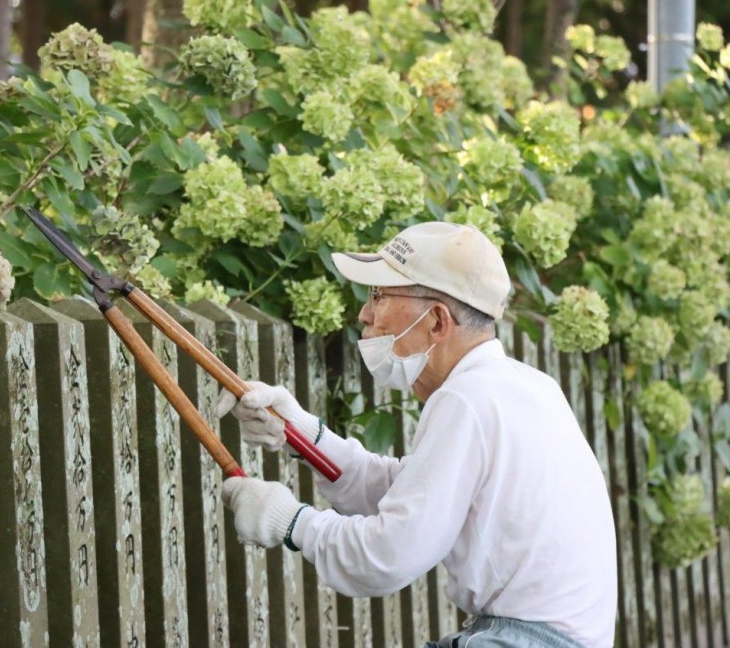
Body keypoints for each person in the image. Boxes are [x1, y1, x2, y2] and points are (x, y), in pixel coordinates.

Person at [217, 222, 617, 647]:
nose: (365, 315)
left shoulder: (468, 399)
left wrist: (291, 521)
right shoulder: (523, 387)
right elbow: (413, 494)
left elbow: (389, 555)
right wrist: (304, 435)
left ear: (438, 321)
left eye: (380, 295)